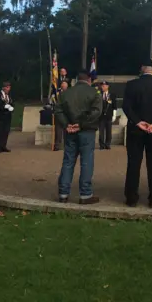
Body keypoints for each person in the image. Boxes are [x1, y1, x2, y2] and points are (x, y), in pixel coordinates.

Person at [122, 60, 152, 208]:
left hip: (135, 130)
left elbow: (126, 106)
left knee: (133, 164)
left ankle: (131, 197)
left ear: (142, 69)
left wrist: (137, 122)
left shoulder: (131, 85)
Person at [55, 69, 102, 204]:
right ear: (89, 80)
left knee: (68, 161)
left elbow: (58, 110)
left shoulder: (66, 93)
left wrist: (67, 125)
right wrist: (80, 124)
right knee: (86, 161)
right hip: (86, 131)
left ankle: (63, 193)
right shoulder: (94, 93)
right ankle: (85, 194)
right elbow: (96, 112)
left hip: (70, 131)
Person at [0, 81, 14, 153]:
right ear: (4, 88)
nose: (8, 89)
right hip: (0, 116)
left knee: (6, 131)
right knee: (0, 131)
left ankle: (3, 146)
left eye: (9, 87)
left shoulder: (9, 95)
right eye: (7, 87)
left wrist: (11, 107)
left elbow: (11, 102)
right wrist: (4, 106)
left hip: (7, 116)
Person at [98, 80, 117, 150]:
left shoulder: (112, 94)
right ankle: (101, 145)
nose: (103, 87)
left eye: (104, 86)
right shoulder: (99, 94)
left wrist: (114, 115)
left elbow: (114, 106)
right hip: (101, 116)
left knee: (109, 132)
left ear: (107, 86)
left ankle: (107, 144)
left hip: (109, 116)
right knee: (101, 132)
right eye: (102, 86)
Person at [53, 80, 70, 151]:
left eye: (65, 84)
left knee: (67, 131)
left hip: (67, 114)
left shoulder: (70, 93)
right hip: (59, 113)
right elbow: (54, 101)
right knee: (58, 131)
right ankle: (57, 145)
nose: (63, 85)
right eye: (62, 84)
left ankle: (67, 145)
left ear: (67, 85)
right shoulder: (57, 93)